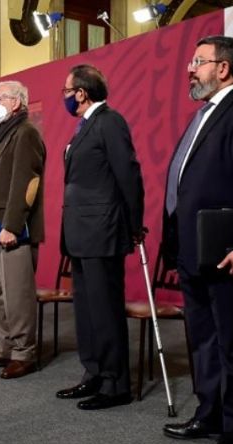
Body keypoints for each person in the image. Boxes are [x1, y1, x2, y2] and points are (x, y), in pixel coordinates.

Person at [159, 36, 233, 444]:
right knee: (202, 340)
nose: (190, 69)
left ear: (223, 68)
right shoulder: (201, 116)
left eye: (198, 62)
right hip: (193, 250)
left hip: (229, 252)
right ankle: (208, 414)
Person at [55, 64, 145, 410]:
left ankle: (115, 383)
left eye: (66, 91)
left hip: (103, 231)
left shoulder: (110, 121)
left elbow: (129, 175)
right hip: (80, 233)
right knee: (87, 310)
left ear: (81, 92)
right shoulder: (83, 127)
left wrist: (134, 225)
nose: (64, 96)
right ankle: (92, 373)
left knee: (105, 310)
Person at [0, 81, 46, 379]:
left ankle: (24, 353)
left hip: (14, 228)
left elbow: (26, 182)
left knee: (17, 294)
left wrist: (13, 226)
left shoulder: (26, 132)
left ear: (16, 102)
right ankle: (2, 347)